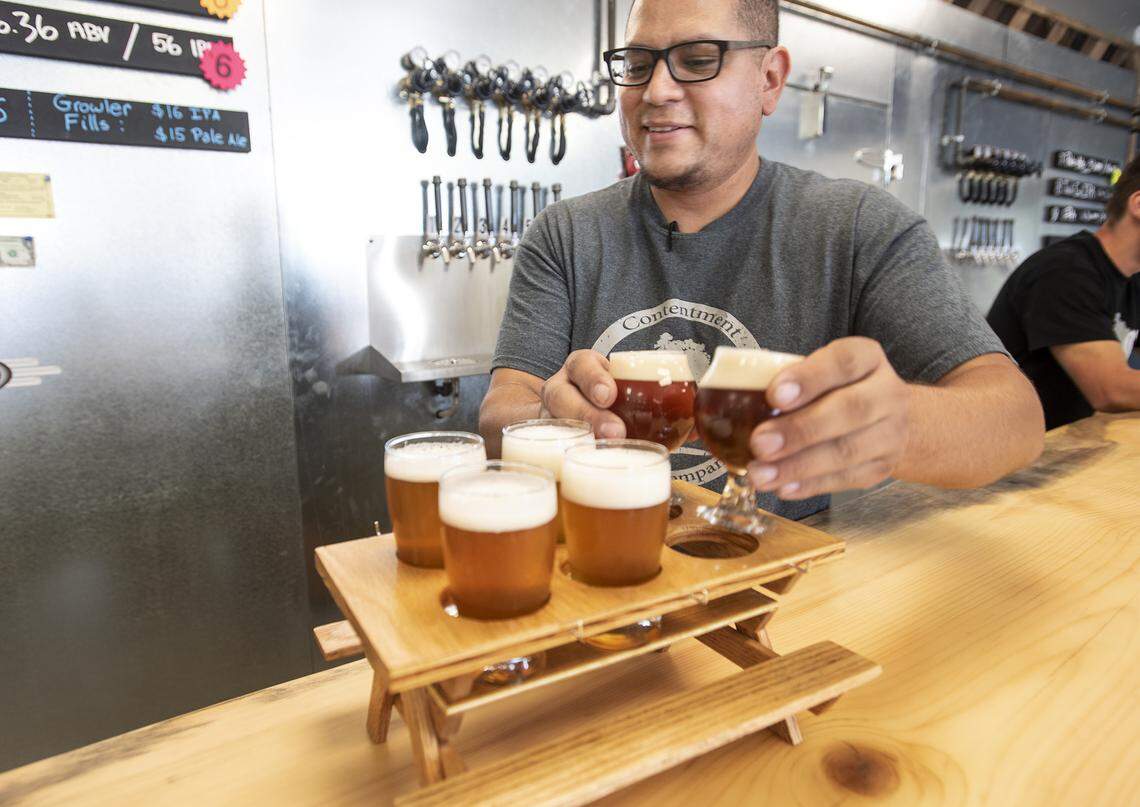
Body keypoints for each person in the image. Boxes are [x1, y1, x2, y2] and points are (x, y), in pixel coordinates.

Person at [480, 0, 1043, 520]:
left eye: (697, 60)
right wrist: (555, 420)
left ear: (769, 79)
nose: (655, 91)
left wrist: (894, 427)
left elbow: (1014, 419)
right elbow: (499, 414)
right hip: (598, 565)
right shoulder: (566, 232)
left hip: (769, 583)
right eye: (637, 63)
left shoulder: (855, 227)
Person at [987, 155, 1140, 430]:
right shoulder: (1065, 272)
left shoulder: (1132, 279)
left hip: (1070, 450)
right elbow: (1111, 389)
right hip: (1011, 460)